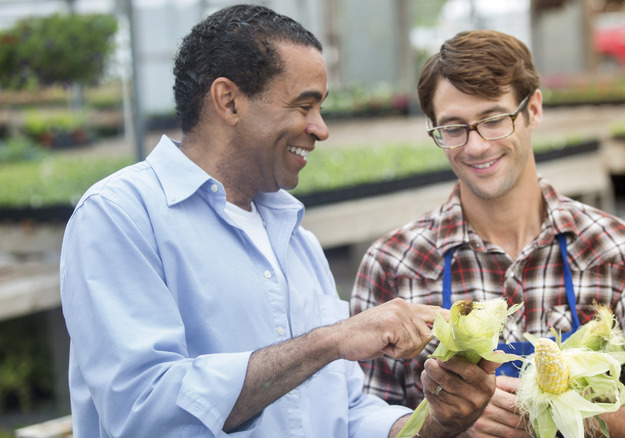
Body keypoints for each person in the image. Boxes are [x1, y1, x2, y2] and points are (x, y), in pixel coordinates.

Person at [59, 5, 498, 437]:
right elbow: (143, 409)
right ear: (229, 101)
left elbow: (344, 414)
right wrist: (329, 341)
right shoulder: (121, 217)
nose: (321, 129)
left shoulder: (296, 241)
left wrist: (437, 425)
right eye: (304, 106)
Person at [351, 30, 625, 438]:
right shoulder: (394, 265)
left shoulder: (616, 250)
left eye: (494, 120)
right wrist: (444, 424)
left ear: (534, 111)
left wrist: (565, 406)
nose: (475, 146)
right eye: (454, 128)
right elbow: (358, 422)